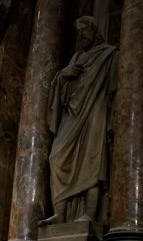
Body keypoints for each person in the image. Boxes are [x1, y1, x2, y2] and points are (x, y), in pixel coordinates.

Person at [42, 17, 118, 224]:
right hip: (72, 114)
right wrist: (62, 76)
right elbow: (63, 91)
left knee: (92, 161)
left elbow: (116, 88)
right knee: (56, 157)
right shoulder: (76, 57)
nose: (81, 36)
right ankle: (60, 213)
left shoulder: (109, 54)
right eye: (78, 33)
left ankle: (89, 215)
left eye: (84, 31)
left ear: (94, 30)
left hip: (95, 112)